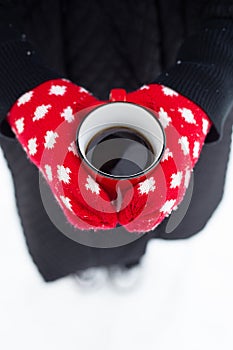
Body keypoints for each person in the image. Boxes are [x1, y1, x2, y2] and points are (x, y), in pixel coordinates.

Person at [0, 0, 232, 282]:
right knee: (65, 206)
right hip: (41, 52)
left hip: (182, 48)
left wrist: (207, 77)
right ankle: (97, 260)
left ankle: (131, 255)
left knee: (170, 195)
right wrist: (16, 78)